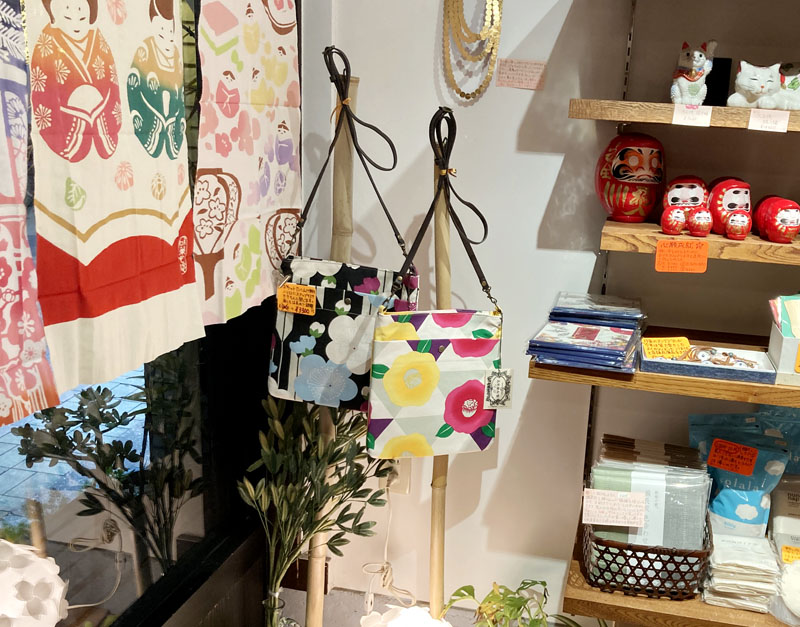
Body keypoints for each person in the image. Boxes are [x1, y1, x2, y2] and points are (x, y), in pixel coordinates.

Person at [30, 0, 122, 162]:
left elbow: (111, 82)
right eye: (67, 18)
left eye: (82, 18)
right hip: (67, 123)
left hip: (101, 119)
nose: (75, 23)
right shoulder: (46, 43)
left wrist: (98, 111)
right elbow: (43, 94)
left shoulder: (97, 39)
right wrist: (78, 114)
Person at [127, 0, 184, 159]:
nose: (167, 37)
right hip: (150, 113)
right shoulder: (145, 50)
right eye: (161, 32)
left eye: (170, 32)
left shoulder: (175, 54)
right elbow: (134, 85)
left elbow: (179, 93)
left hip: (171, 118)